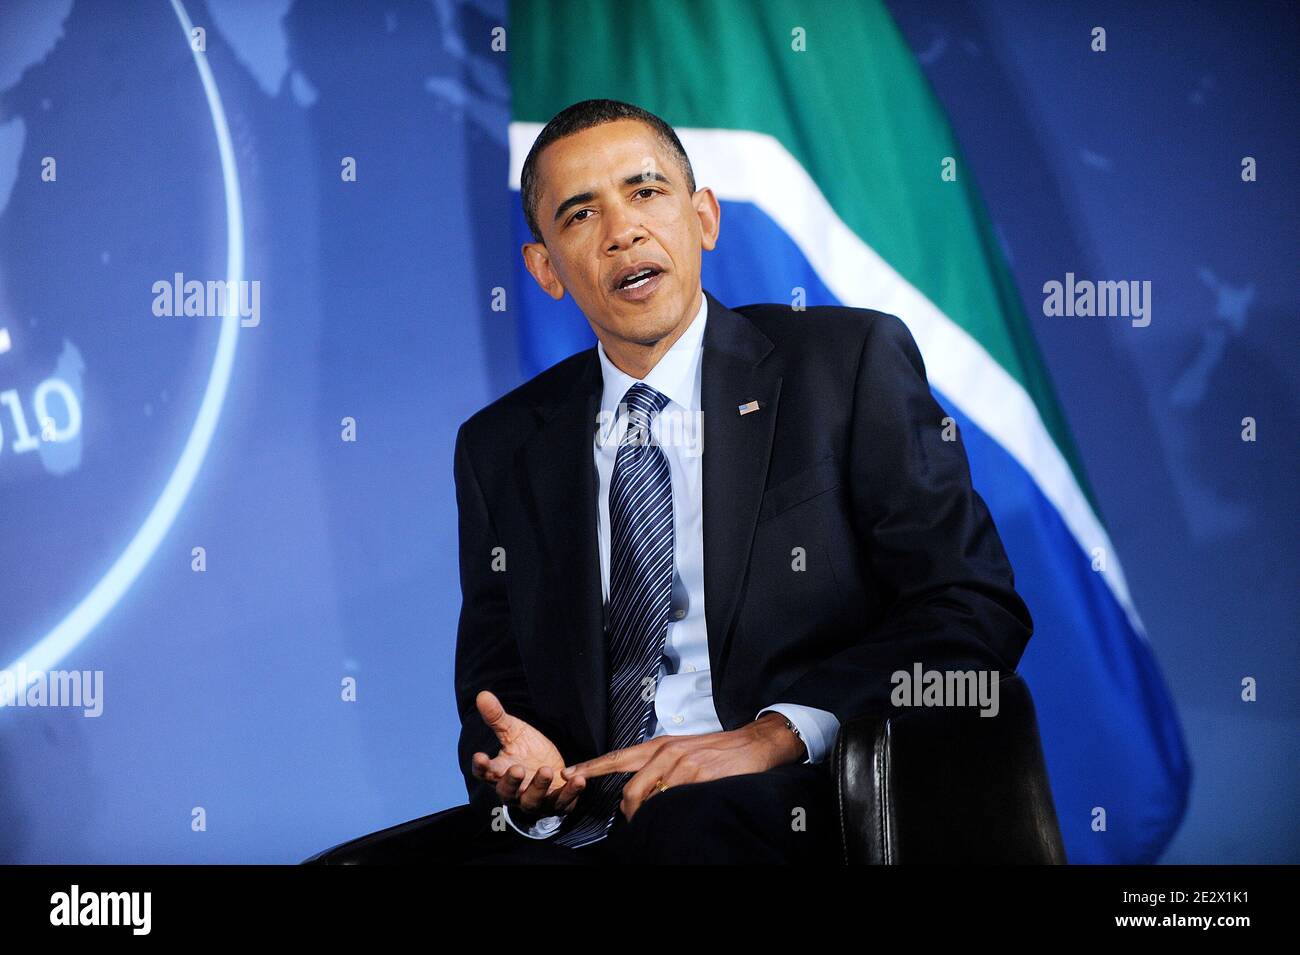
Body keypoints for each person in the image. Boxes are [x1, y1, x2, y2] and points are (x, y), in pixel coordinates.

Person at [450, 98, 1033, 863]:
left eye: (646, 192)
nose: (623, 230)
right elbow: (498, 693)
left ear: (705, 219)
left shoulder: (843, 365)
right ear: (545, 267)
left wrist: (774, 733)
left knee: (687, 829)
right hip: (591, 823)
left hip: (799, 798)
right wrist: (519, 772)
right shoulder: (501, 447)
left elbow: (972, 607)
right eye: (581, 214)